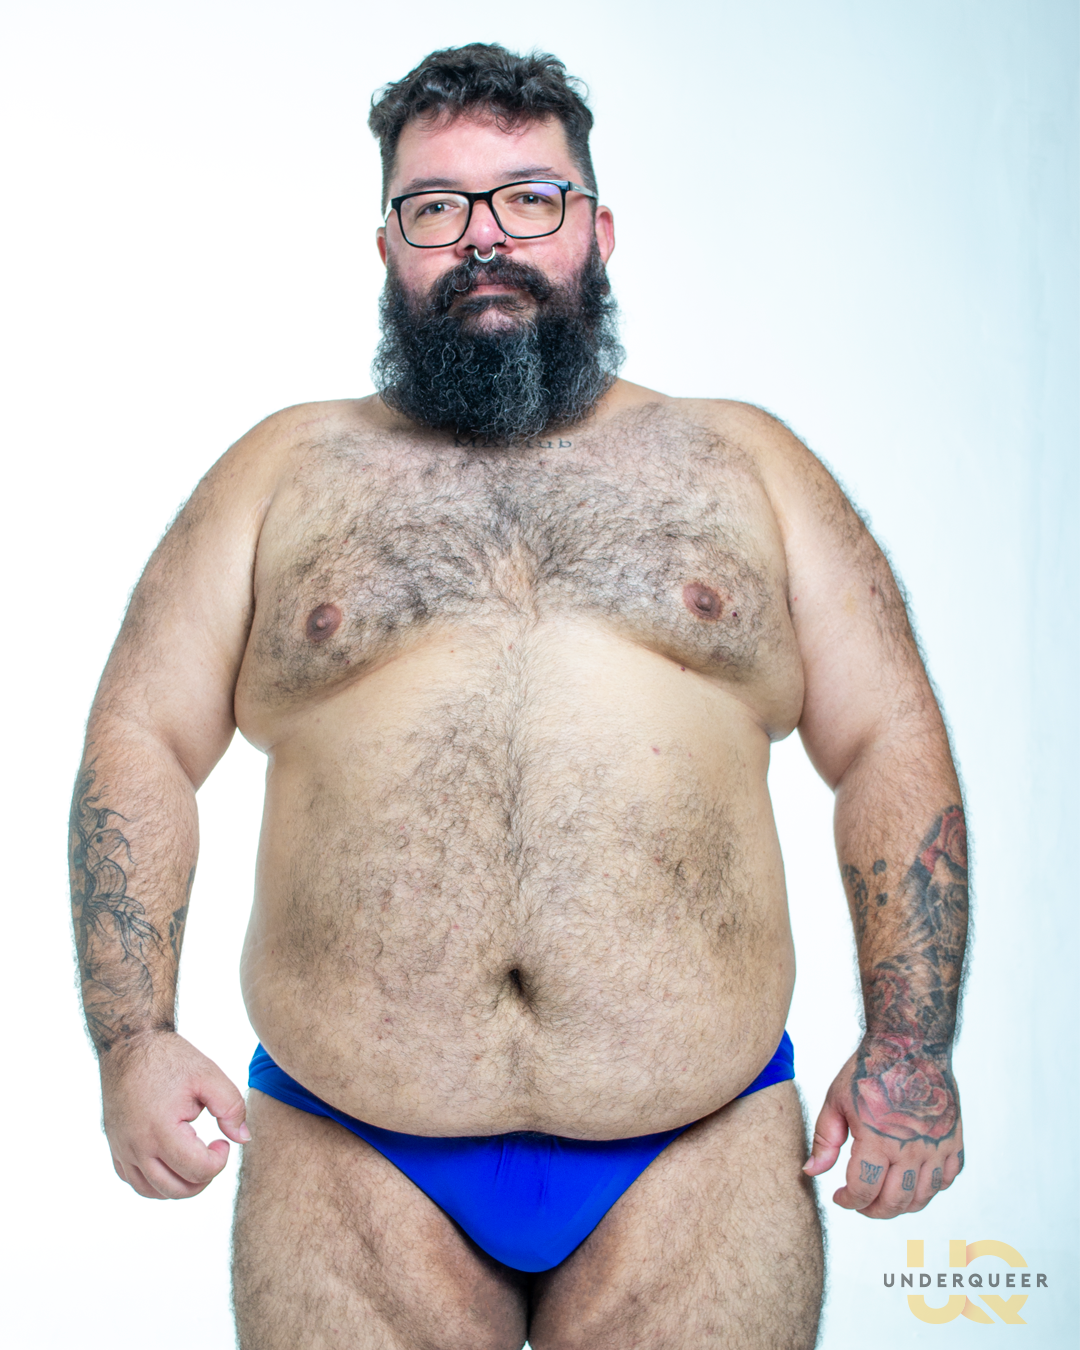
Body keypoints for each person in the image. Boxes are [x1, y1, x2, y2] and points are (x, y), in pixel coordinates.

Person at [69, 42, 967, 1349]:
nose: (484, 237)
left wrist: (909, 1045)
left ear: (598, 228)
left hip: (699, 1150)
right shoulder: (283, 469)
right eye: (438, 206)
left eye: (530, 198)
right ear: (388, 244)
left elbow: (889, 736)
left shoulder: (746, 462)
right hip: (349, 1153)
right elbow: (140, 735)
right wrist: (132, 1036)